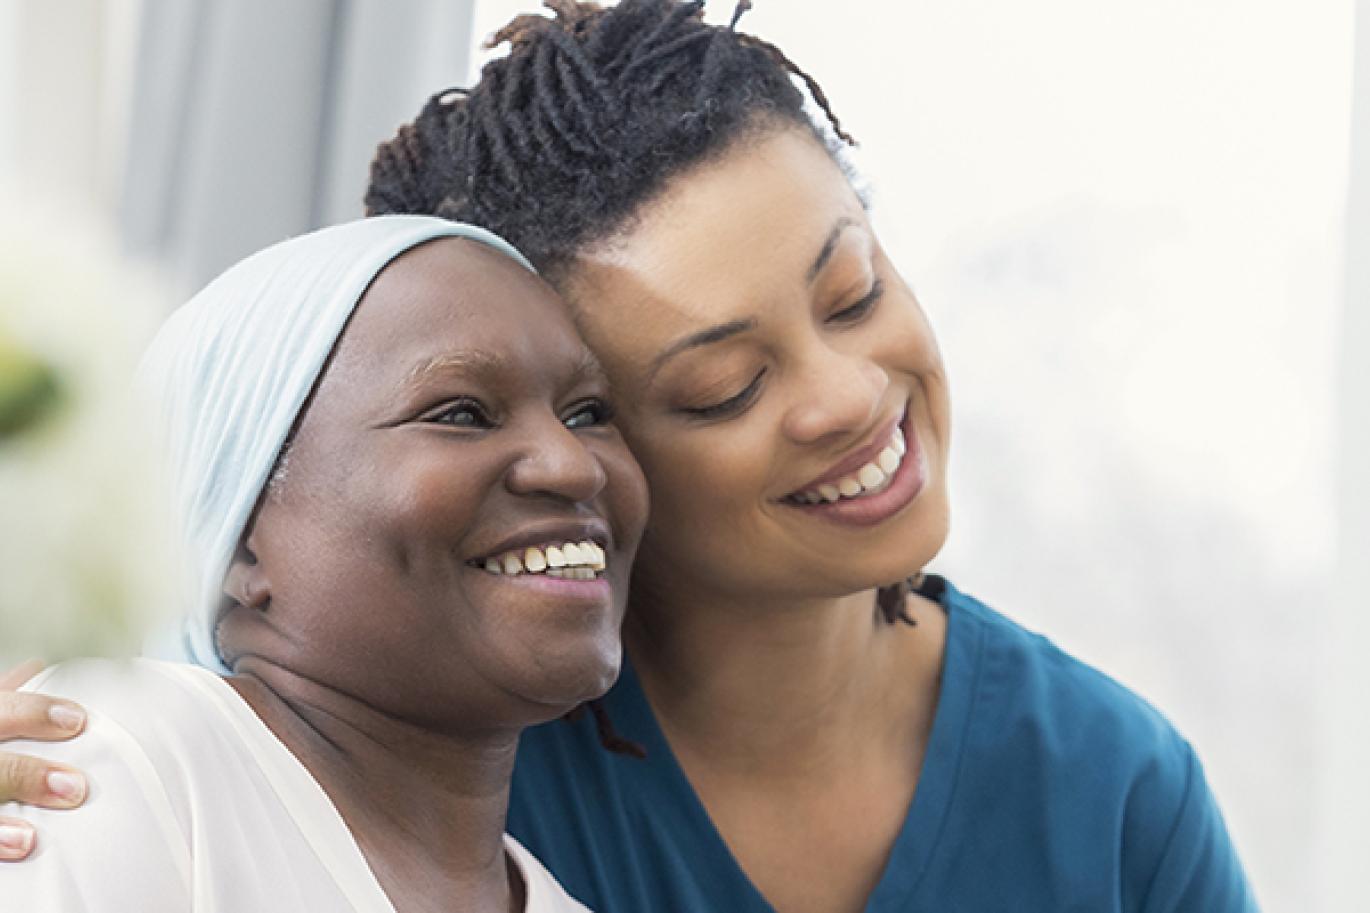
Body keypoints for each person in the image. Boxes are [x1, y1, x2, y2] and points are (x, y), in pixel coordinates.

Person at [1, 2, 1259, 911]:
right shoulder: (436, 750)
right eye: (721, 386)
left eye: (851, 289)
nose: (844, 396)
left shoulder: (1109, 793)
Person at [0, 215, 648, 911]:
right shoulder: (120, 755)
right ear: (241, 538)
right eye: (461, 413)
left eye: (587, 412)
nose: (572, 464)